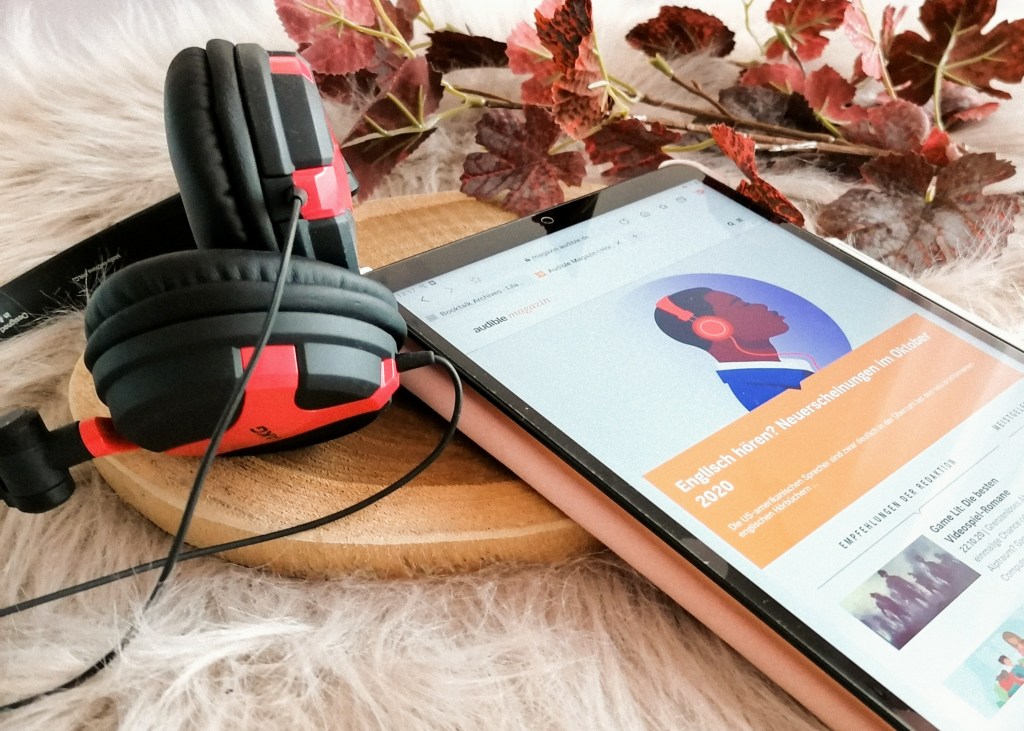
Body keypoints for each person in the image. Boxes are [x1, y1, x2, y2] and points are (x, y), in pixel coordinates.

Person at [654, 287, 814, 411]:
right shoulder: (766, 394)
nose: (761, 305)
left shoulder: (786, 373)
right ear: (713, 329)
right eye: (743, 305)